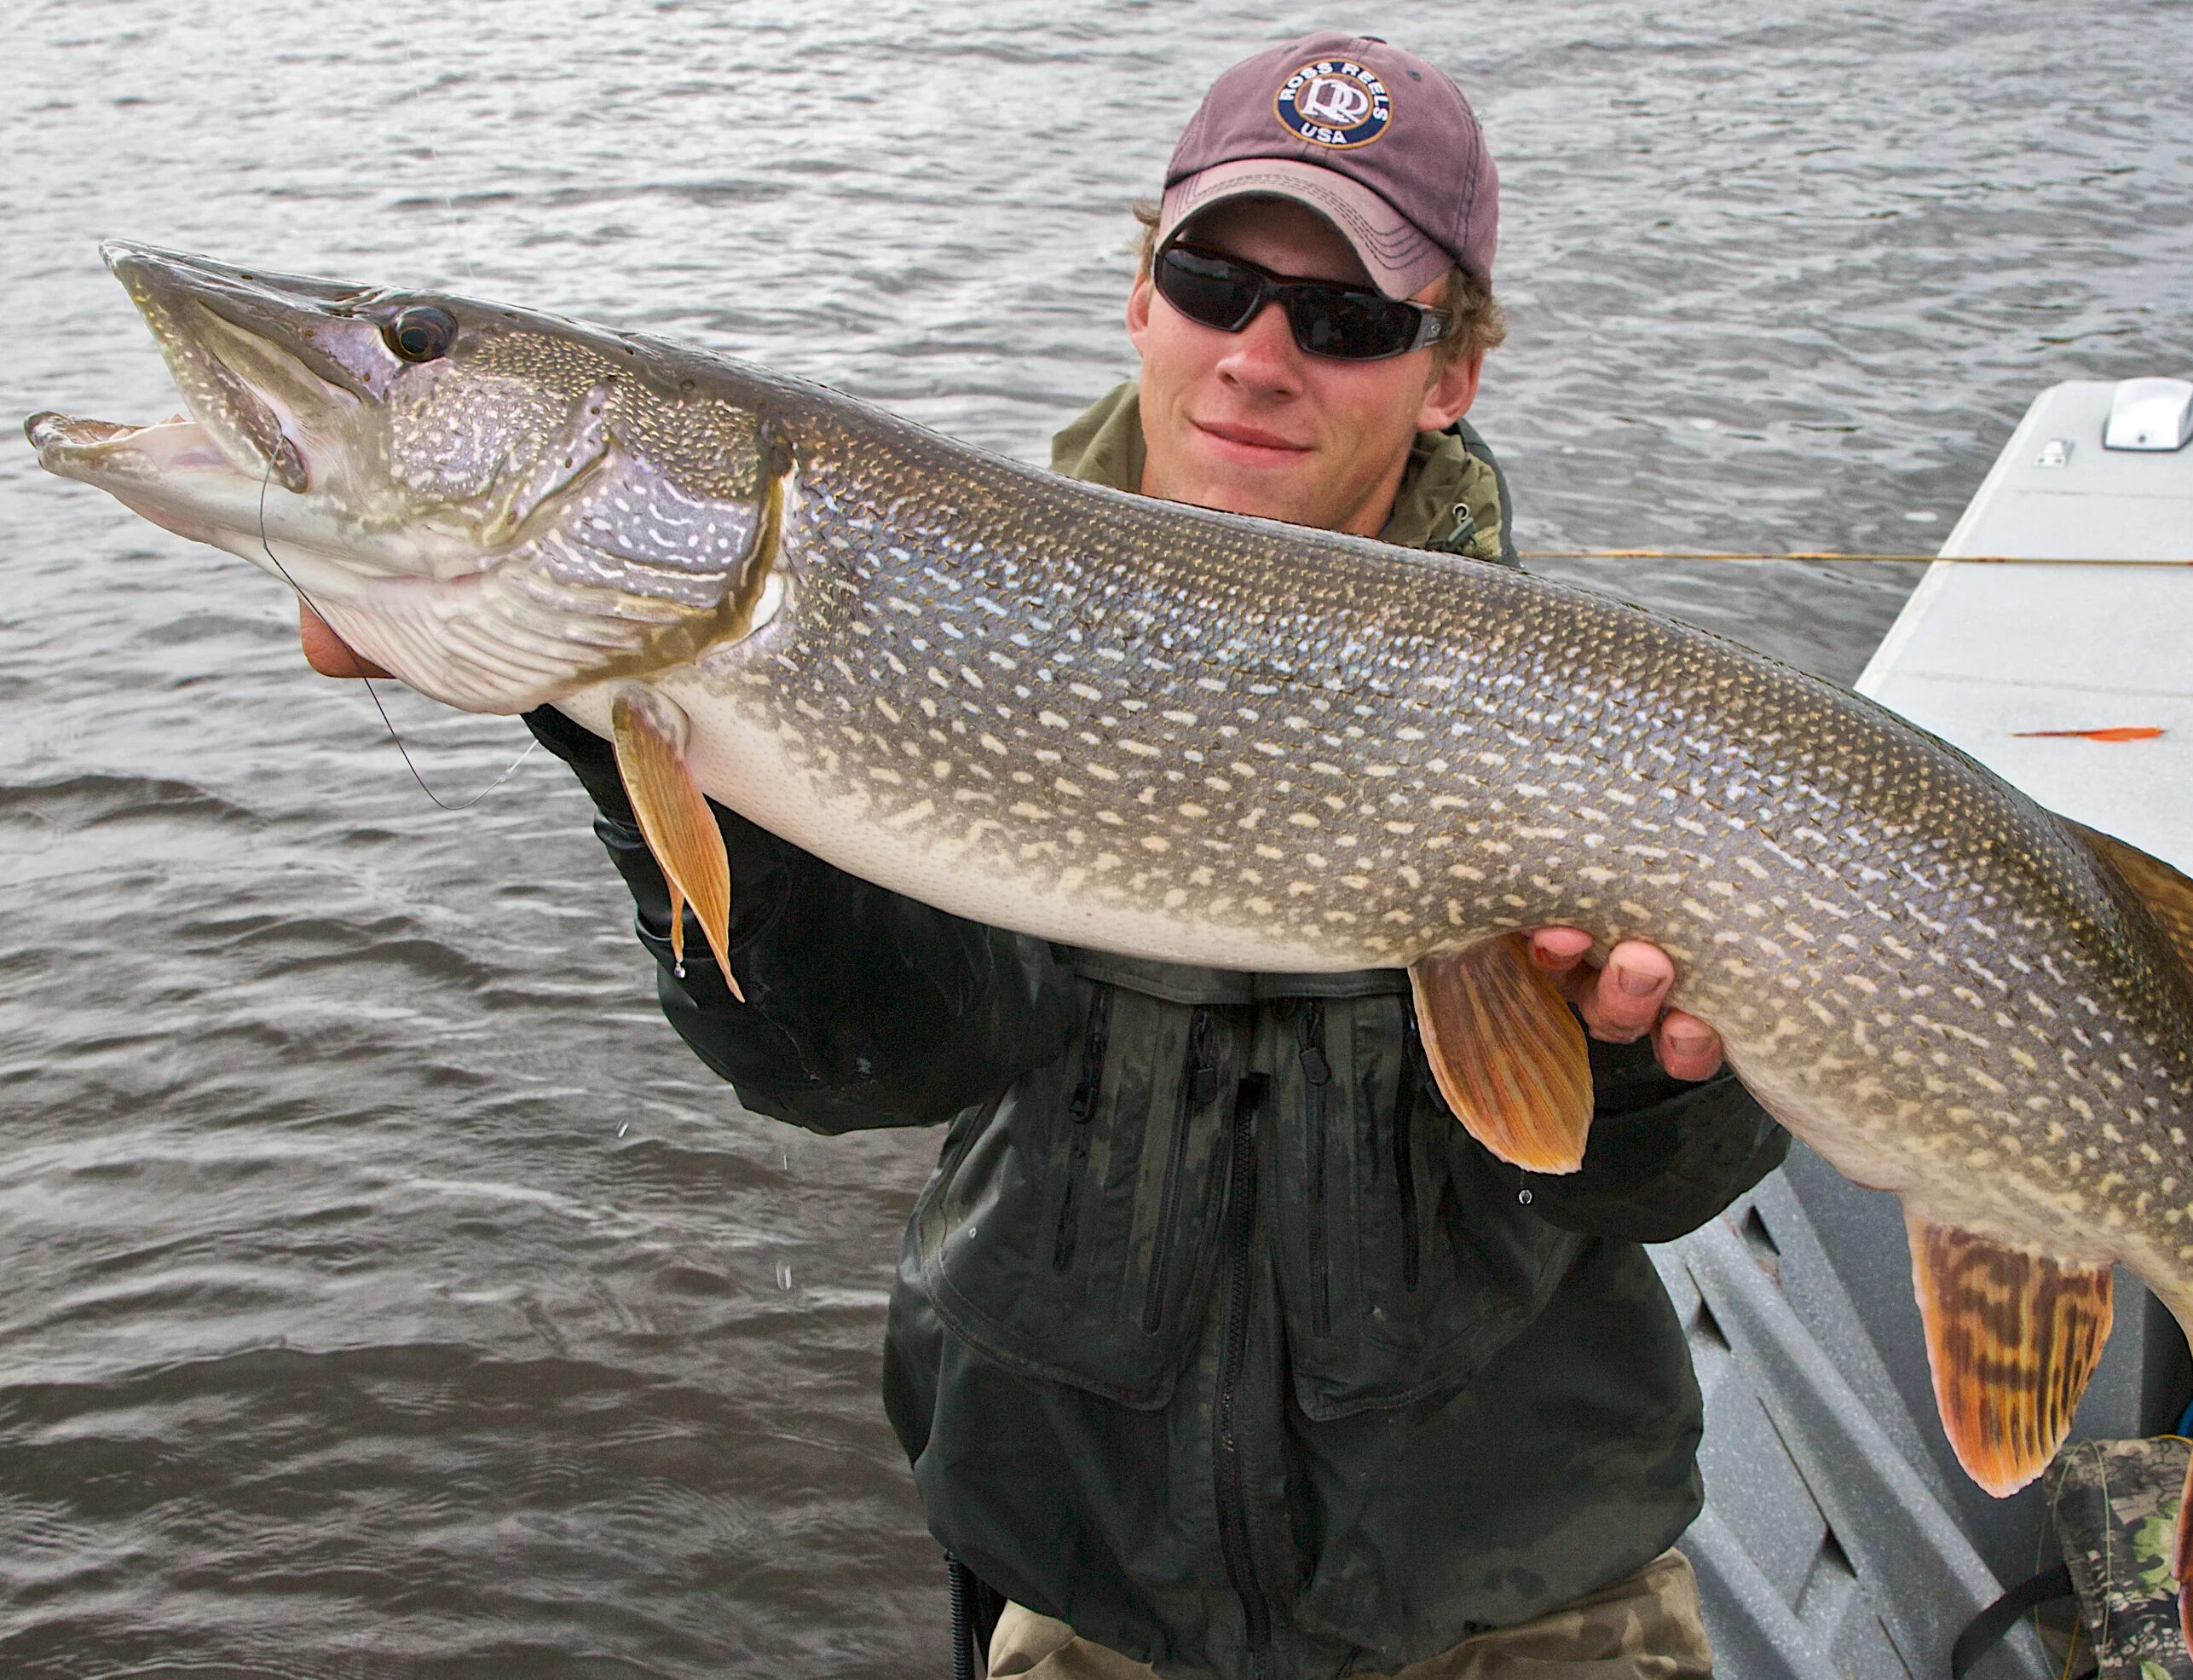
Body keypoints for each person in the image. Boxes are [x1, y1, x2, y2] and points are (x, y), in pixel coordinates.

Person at [305, 32, 1787, 1680]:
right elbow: (861, 1059)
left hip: (1531, 1609)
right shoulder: (924, 626)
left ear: (1450, 374)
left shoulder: (1584, 714)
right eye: (1214, 280)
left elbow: (1679, 1182)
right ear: (1141, 297)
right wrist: (602, 703)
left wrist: (1633, 1066)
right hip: (1098, 1615)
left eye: (1349, 319)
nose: (1259, 355)